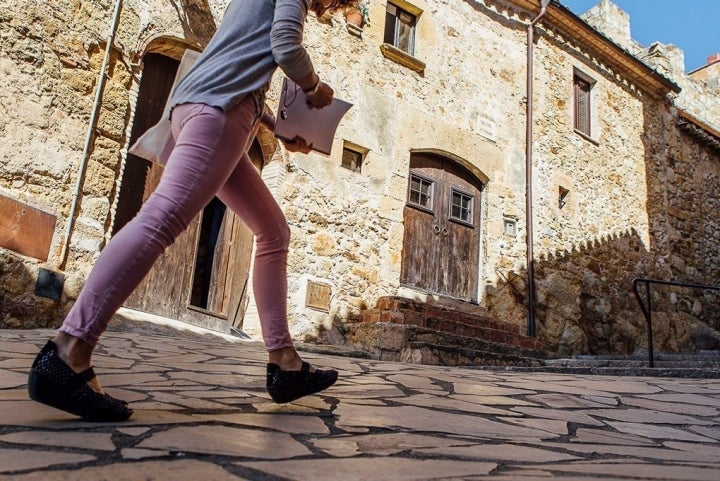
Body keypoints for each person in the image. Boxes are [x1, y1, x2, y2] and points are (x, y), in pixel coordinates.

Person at [28, 0, 356, 421]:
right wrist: (314, 88)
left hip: (208, 106)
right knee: (159, 221)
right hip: (218, 113)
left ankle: (284, 363)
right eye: (336, 2)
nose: (328, 8)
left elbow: (238, 59)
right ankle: (69, 350)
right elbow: (286, 47)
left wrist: (279, 129)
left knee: (273, 232)